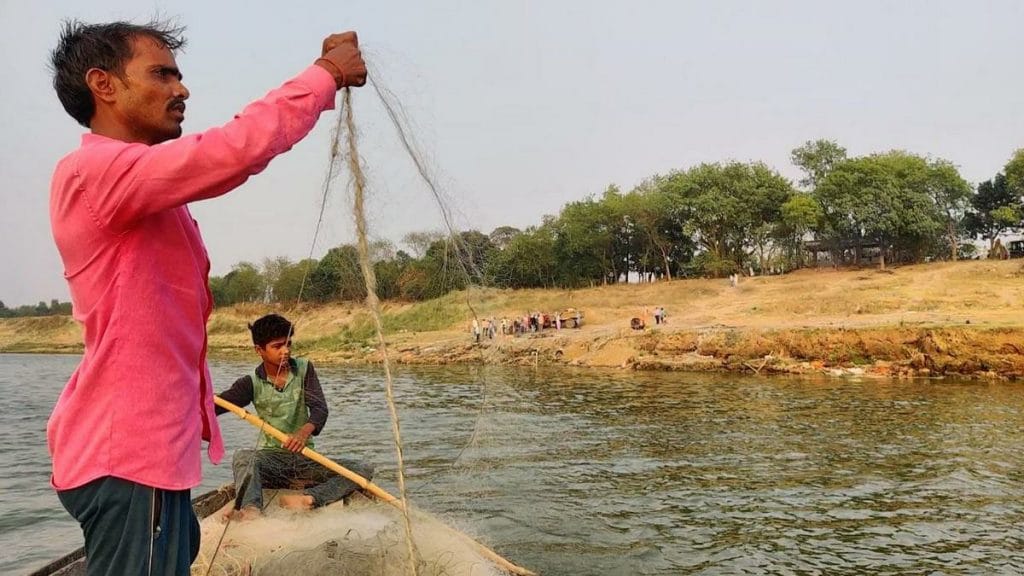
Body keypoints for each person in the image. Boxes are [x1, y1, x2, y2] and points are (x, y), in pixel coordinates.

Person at [46, 19, 366, 575]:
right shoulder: (93, 173)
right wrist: (324, 78)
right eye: (161, 74)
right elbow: (229, 152)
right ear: (104, 85)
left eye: (180, 75)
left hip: (155, 458)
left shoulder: (150, 195)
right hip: (127, 459)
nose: (181, 89)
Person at [216, 314, 374, 520]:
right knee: (243, 457)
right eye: (278, 346)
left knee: (362, 468)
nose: (286, 351)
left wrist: (303, 433)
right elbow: (215, 407)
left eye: (288, 344)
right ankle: (251, 510)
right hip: (271, 462)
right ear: (259, 350)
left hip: (304, 460)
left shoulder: (304, 369)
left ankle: (310, 499)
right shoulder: (249, 383)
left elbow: (319, 409)